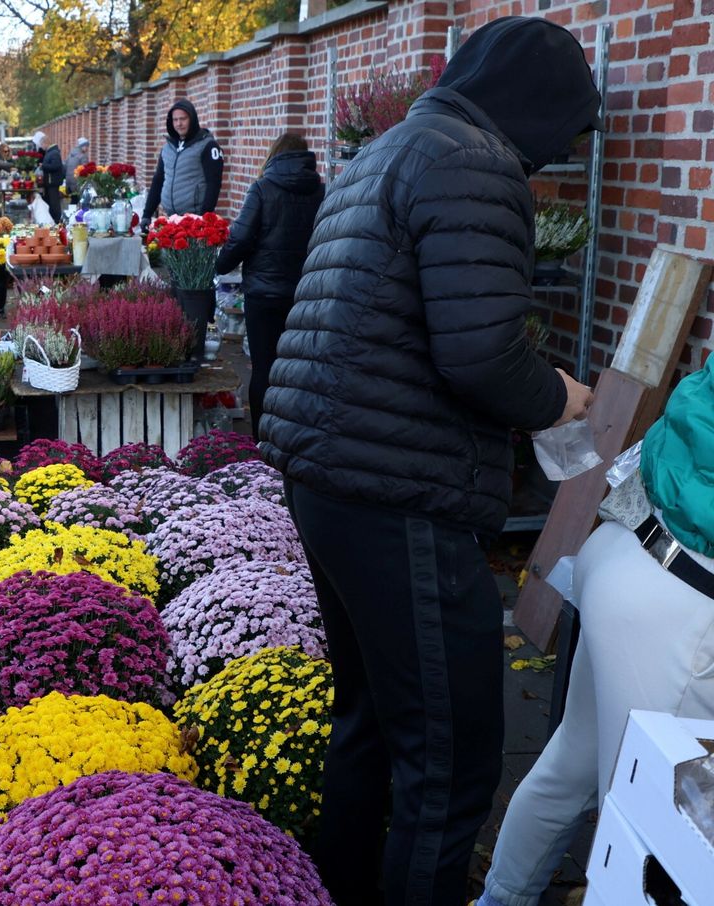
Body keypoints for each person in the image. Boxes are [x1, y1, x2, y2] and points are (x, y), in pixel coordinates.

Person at [259, 16, 600, 906]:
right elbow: (483, 353)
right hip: (398, 493)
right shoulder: (475, 163)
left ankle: (340, 888)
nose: (561, 153)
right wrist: (559, 396)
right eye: (567, 128)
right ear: (534, 105)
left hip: (331, 475)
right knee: (448, 761)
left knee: (370, 722)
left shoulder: (391, 148)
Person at [478, 357, 714, 906]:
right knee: (651, 842)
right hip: (678, 608)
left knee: (575, 761)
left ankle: (501, 899)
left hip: (628, 548)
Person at [214, 132, 323, 438]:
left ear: (274, 153)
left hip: (264, 293)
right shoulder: (321, 191)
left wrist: (220, 265)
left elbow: (241, 238)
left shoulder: (263, 188)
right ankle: (297, 432)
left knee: (263, 366)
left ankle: (263, 438)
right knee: (300, 367)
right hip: (306, 293)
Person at [141, 100, 223, 223]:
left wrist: (203, 218)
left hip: (195, 221)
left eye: (183, 119)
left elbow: (214, 184)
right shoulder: (168, 147)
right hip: (171, 218)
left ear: (192, 119)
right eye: (175, 120)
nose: (179, 123)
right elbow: (158, 180)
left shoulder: (208, 145)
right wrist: (147, 214)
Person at [34, 131, 64, 223]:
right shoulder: (50, 152)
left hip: (53, 182)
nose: (41, 147)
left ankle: (57, 221)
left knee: (54, 204)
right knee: (51, 203)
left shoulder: (54, 153)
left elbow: (56, 166)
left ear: (45, 143)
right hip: (50, 182)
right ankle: (54, 221)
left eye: (41, 145)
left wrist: (43, 166)